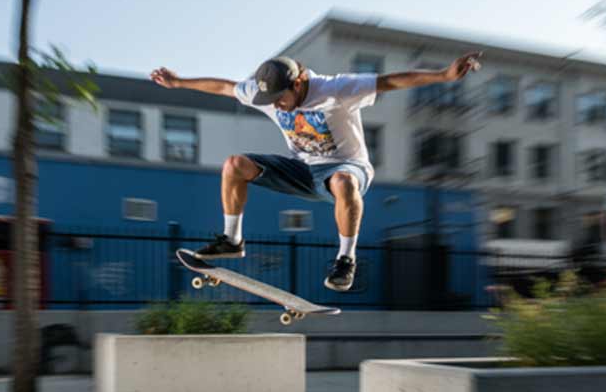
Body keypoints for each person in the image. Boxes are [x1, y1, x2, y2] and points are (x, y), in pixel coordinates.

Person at [150, 51, 482, 291]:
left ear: (300, 81)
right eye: (271, 99)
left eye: (281, 97)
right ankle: (232, 240)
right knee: (234, 165)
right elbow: (225, 87)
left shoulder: (337, 89)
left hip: (348, 167)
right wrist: (178, 82)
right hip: (303, 169)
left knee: (342, 181)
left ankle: (345, 261)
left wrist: (444, 75)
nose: (276, 104)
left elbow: (390, 81)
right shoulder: (263, 94)